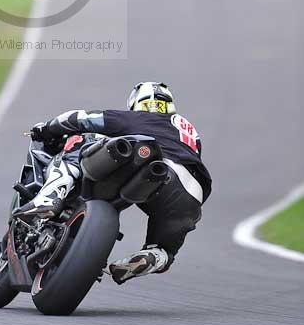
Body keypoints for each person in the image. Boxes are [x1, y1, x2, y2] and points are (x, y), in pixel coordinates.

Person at [14, 82, 211, 284]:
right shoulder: (188, 132)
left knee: (81, 140)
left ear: (136, 102)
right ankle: (151, 258)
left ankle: (51, 196)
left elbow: (81, 118)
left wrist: (46, 128)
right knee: (164, 248)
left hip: (151, 160)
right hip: (193, 193)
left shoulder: (138, 118)